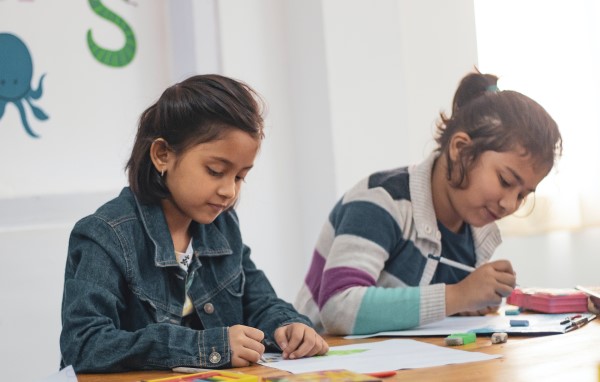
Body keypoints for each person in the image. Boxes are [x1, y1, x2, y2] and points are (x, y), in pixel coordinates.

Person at [60, 74, 328, 372]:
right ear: (162, 155)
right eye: (215, 171)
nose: (229, 191)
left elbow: (260, 302)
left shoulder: (222, 227)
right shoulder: (105, 235)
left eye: (240, 176)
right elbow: (84, 345)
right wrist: (207, 348)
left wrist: (288, 326)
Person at [295, 70, 563, 335]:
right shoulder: (380, 200)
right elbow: (338, 307)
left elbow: (422, 308)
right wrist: (458, 296)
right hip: (327, 363)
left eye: (523, 194)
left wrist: (468, 304)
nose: (510, 204)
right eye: (505, 180)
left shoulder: (477, 230)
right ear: (460, 150)